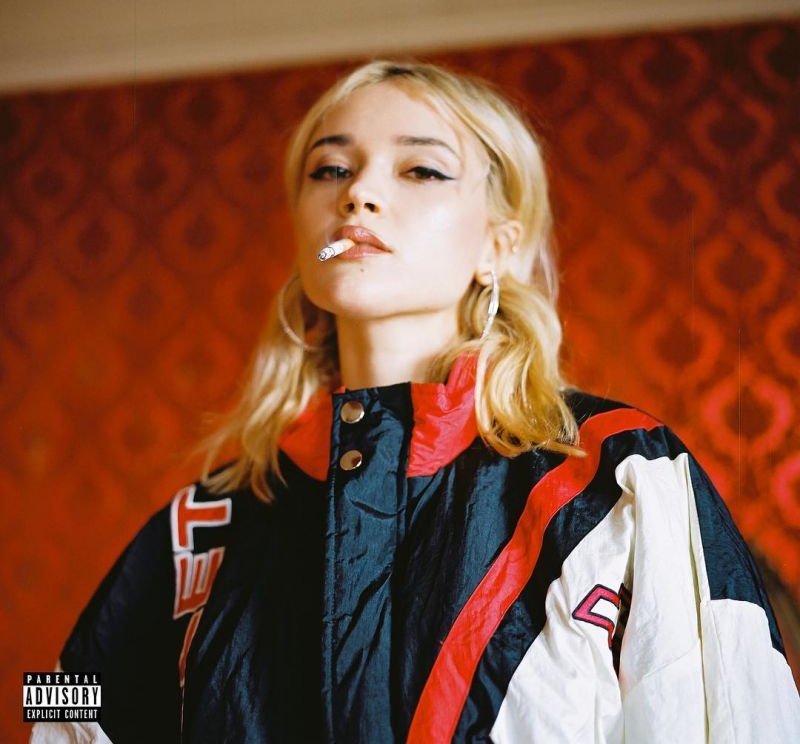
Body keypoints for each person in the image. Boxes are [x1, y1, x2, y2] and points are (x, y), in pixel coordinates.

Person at [33, 61, 799, 743]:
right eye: (329, 169)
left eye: (422, 170)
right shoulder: (203, 525)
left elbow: (735, 716)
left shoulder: (622, 478)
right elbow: (58, 703)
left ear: (498, 243)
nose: (359, 195)